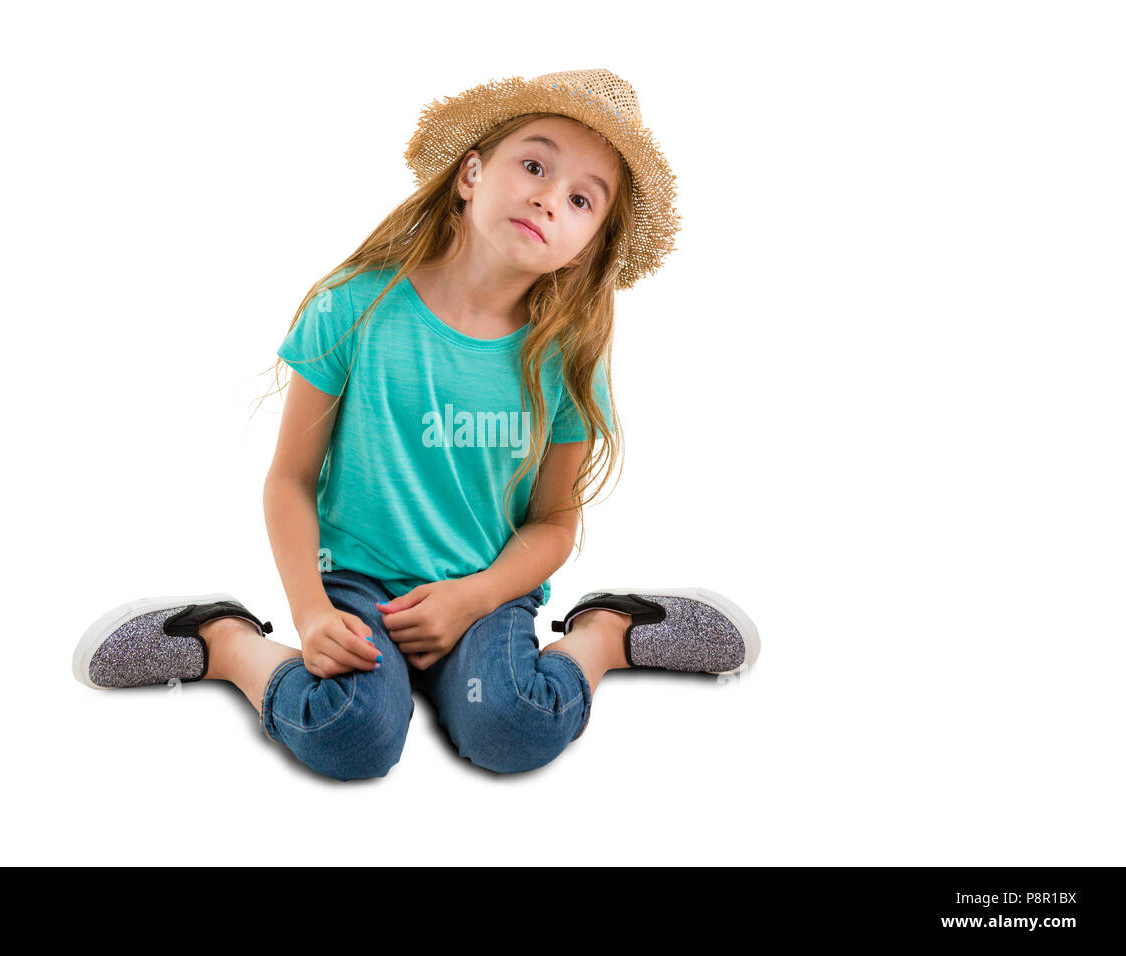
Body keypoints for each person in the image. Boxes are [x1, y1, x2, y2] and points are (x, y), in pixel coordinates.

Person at [72, 69, 761, 780]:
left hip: (485, 584)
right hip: (359, 583)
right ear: (470, 174)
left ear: (584, 248)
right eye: (533, 164)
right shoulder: (355, 309)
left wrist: (476, 597)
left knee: (515, 727)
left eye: (581, 199)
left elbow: (554, 524)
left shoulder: (566, 359)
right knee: (351, 736)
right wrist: (310, 613)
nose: (548, 198)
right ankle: (221, 641)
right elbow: (289, 481)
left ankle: (610, 632)